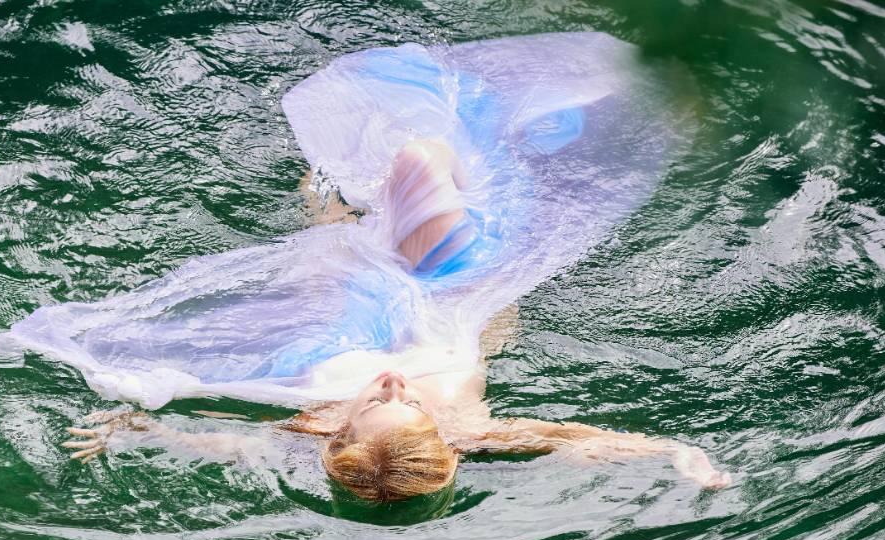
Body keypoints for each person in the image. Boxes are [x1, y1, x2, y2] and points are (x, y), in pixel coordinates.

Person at [62, 139, 731, 500]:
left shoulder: (309, 426)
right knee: (444, 194)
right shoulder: (472, 433)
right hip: (455, 305)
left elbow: (223, 443)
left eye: (378, 400)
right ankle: (448, 175)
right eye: (405, 403)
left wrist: (134, 427)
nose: (392, 384)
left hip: (347, 318)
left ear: (338, 431)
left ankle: (333, 195)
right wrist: (676, 452)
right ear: (439, 436)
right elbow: (582, 441)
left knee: (334, 227)